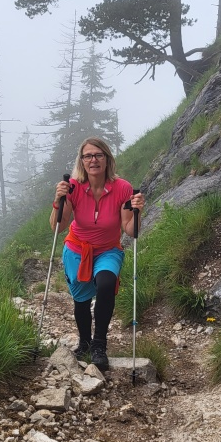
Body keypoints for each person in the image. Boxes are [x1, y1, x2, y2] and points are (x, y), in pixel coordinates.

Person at [51, 137, 144, 371]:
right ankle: (84, 342)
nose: (93, 160)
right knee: (81, 299)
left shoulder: (122, 188)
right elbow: (57, 227)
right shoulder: (72, 187)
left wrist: (137, 212)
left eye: (98, 155)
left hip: (107, 250)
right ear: (81, 161)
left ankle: (99, 345)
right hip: (77, 249)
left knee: (106, 283)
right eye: (88, 156)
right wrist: (58, 200)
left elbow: (129, 229)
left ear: (107, 159)